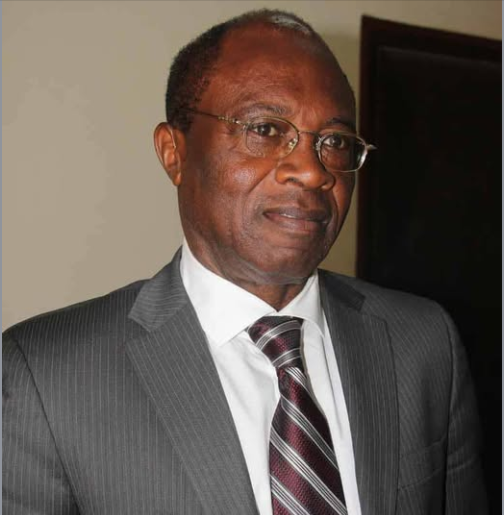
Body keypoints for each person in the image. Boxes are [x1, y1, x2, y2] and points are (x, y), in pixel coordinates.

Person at [2, 9, 486, 515]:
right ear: (174, 152)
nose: (312, 171)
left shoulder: (424, 342)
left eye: (336, 142)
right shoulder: (46, 378)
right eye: (266, 129)